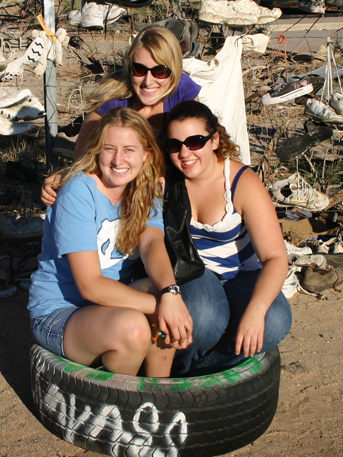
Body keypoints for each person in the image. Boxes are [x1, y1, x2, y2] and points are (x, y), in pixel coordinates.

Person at [28, 108, 193, 377]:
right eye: (109, 149)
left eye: (129, 149)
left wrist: (170, 293)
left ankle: (157, 395)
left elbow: (152, 242)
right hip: (60, 312)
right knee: (136, 326)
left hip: (106, 308)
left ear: (146, 155)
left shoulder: (143, 188)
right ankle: (122, 405)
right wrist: (163, 307)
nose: (118, 160)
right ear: (96, 152)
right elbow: (90, 286)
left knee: (162, 289)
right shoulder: (78, 192)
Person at [163, 100, 291, 375]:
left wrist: (255, 313)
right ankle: (179, 372)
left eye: (195, 141)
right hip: (194, 271)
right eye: (175, 145)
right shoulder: (166, 181)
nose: (185, 153)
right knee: (204, 316)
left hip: (242, 274)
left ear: (214, 140)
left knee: (274, 321)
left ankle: (203, 373)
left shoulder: (240, 182)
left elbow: (276, 257)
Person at [41, 25, 199, 205]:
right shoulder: (112, 99)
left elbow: (199, 152)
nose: (148, 81)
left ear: (176, 70)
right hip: (122, 192)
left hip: (173, 191)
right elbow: (83, 157)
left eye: (160, 71)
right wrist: (65, 176)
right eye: (138, 69)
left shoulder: (184, 93)